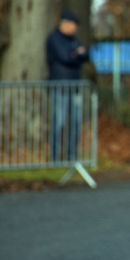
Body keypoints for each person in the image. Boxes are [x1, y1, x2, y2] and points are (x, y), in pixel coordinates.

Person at [46, 10, 89, 162]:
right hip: (60, 87)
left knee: (76, 121)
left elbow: (85, 55)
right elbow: (65, 57)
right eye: (73, 25)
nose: (75, 28)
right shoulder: (55, 38)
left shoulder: (73, 40)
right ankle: (55, 157)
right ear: (65, 23)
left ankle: (71, 155)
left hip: (74, 87)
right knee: (59, 122)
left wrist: (76, 54)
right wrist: (76, 54)